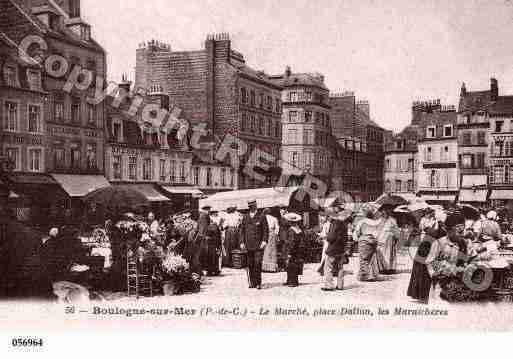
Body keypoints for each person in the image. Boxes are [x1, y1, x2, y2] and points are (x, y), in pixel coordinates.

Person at [407, 208, 445, 303]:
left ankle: (422, 294)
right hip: (426, 247)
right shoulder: (433, 226)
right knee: (422, 271)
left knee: (422, 271)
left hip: (426, 247)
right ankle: (422, 294)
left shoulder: (436, 225)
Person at [240, 200, 269, 289]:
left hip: (258, 245)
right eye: (250, 206)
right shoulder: (245, 217)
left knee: (257, 263)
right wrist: (241, 242)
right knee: (250, 263)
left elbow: (265, 230)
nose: (251, 208)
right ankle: (252, 282)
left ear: (256, 206)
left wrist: (264, 241)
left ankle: (258, 283)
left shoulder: (261, 216)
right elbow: (242, 231)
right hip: (248, 244)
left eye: (253, 206)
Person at [321, 209, 352, 291]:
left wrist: (326, 237)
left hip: (333, 249)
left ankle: (329, 285)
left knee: (328, 267)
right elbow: (346, 238)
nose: (328, 218)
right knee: (340, 267)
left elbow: (331, 237)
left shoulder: (334, 224)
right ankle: (340, 285)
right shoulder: (344, 225)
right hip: (341, 249)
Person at [354, 207, 380, 282]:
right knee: (371, 258)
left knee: (363, 258)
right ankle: (372, 274)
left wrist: (357, 238)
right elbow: (377, 233)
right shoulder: (375, 222)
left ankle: (366, 275)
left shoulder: (361, 222)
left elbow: (357, 232)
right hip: (373, 240)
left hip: (364, 240)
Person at [374, 204, 400, 274]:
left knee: (389, 254)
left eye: (385, 211)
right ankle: (382, 268)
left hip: (389, 239)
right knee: (381, 253)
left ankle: (390, 268)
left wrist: (394, 234)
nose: (384, 213)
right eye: (382, 211)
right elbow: (376, 229)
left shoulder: (392, 220)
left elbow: (397, 230)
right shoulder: (379, 220)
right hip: (381, 238)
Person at [283, 213, 304, 287]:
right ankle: (291, 280)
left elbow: (291, 242)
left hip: (292, 249)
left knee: (291, 265)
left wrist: (289, 252)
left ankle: (293, 281)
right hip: (298, 250)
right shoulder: (299, 229)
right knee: (295, 265)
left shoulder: (291, 230)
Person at [262, 207, 280, 272]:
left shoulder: (263, 218)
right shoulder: (274, 218)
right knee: (272, 250)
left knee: (265, 250)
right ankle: (272, 267)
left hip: (265, 233)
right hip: (272, 234)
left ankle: (265, 267)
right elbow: (277, 228)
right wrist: (275, 235)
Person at [205, 211, 222, 276]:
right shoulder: (215, 226)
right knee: (214, 257)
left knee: (211, 257)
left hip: (211, 244)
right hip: (214, 244)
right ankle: (214, 270)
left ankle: (210, 271)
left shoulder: (209, 227)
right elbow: (218, 236)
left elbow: (208, 236)